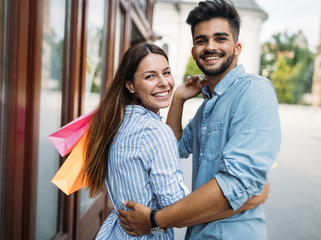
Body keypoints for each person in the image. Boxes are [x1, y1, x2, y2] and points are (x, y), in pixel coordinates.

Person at [118, 0, 281, 239]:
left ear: (237, 47)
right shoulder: (207, 107)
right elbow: (170, 149)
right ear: (193, 51)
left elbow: (234, 186)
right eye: (201, 40)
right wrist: (178, 99)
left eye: (220, 38)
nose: (210, 47)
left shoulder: (254, 91)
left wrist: (154, 221)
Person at [82, 42, 189, 239]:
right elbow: (176, 208)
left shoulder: (113, 122)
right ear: (130, 85)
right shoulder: (156, 132)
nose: (164, 82)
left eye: (166, 72)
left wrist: (179, 97)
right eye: (150, 76)